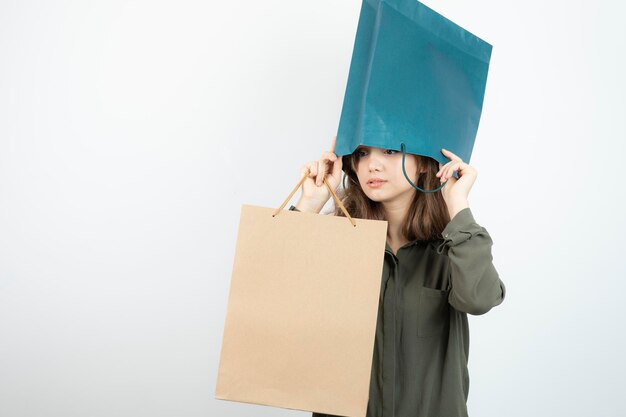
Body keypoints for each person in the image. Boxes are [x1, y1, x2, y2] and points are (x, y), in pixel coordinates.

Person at [290, 136, 506, 417]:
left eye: (391, 150)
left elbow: (479, 299)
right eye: (363, 153)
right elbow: (273, 298)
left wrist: (457, 204)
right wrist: (309, 203)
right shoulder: (337, 244)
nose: (372, 165)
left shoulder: (453, 247)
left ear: (425, 164)